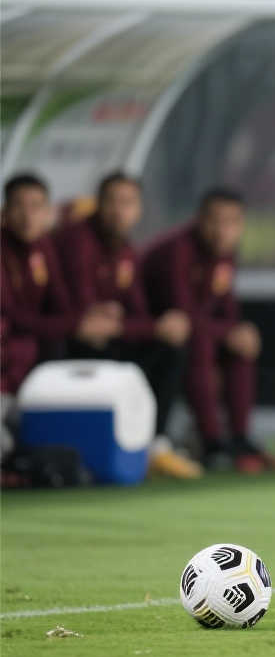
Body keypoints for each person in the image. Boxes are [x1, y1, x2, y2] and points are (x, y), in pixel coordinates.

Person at [55, 172, 200, 479]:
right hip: (70, 345)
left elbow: (137, 312)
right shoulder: (77, 241)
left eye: (128, 202)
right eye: (112, 201)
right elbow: (87, 319)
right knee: (149, 342)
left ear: (139, 209)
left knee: (171, 347)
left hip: (113, 340)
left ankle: (155, 444)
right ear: (98, 204)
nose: (119, 211)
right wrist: (139, 326)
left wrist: (149, 326)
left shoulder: (126, 250)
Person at [142, 188, 272, 473]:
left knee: (242, 344)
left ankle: (239, 439)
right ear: (200, 219)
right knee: (200, 343)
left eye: (232, 222)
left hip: (194, 333)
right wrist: (228, 331)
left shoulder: (225, 256)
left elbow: (225, 308)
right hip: (151, 338)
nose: (223, 230)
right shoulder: (178, 251)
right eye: (216, 220)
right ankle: (211, 443)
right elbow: (183, 314)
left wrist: (237, 331)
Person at [1, 174, 122, 456]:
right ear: (5, 212)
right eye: (19, 206)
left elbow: (61, 304)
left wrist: (89, 317)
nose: (27, 216)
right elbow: (11, 316)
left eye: (36, 206)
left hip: (33, 356)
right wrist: (75, 325)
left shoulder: (44, 247)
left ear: (48, 212)